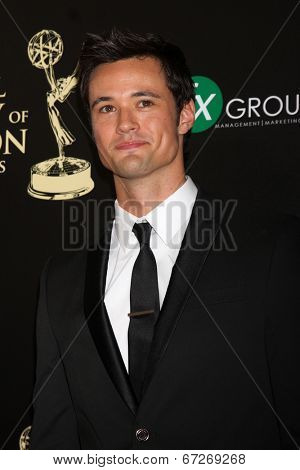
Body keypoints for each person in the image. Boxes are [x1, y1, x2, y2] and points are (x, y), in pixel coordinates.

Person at [29, 27, 300, 450]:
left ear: (186, 114)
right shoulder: (60, 279)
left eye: (144, 101)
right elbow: (54, 435)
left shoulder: (275, 248)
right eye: (105, 108)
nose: (125, 124)